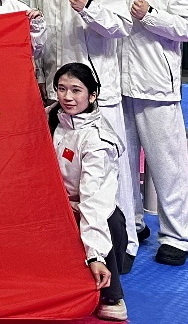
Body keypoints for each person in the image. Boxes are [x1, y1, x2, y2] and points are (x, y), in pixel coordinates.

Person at [31, 0, 136, 259]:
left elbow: (122, 26)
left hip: (96, 91)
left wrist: (90, 8)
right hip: (57, 90)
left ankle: (124, 245)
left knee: (110, 169)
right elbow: (41, 35)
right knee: (65, 171)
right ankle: (76, 247)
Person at [113, 0, 188, 266]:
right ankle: (131, 225)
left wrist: (151, 16)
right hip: (114, 86)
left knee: (167, 165)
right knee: (121, 164)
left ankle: (177, 236)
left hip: (156, 84)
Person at [50, 63, 129, 322]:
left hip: (87, 207)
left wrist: (95, 255)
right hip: (52, 203)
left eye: (76, 90)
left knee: (108, 220)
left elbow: (94, 202)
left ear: (92, 95)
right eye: (62, 89)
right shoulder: (51, 117)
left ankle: (112, 293)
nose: (67, 97)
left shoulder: (97, 141)